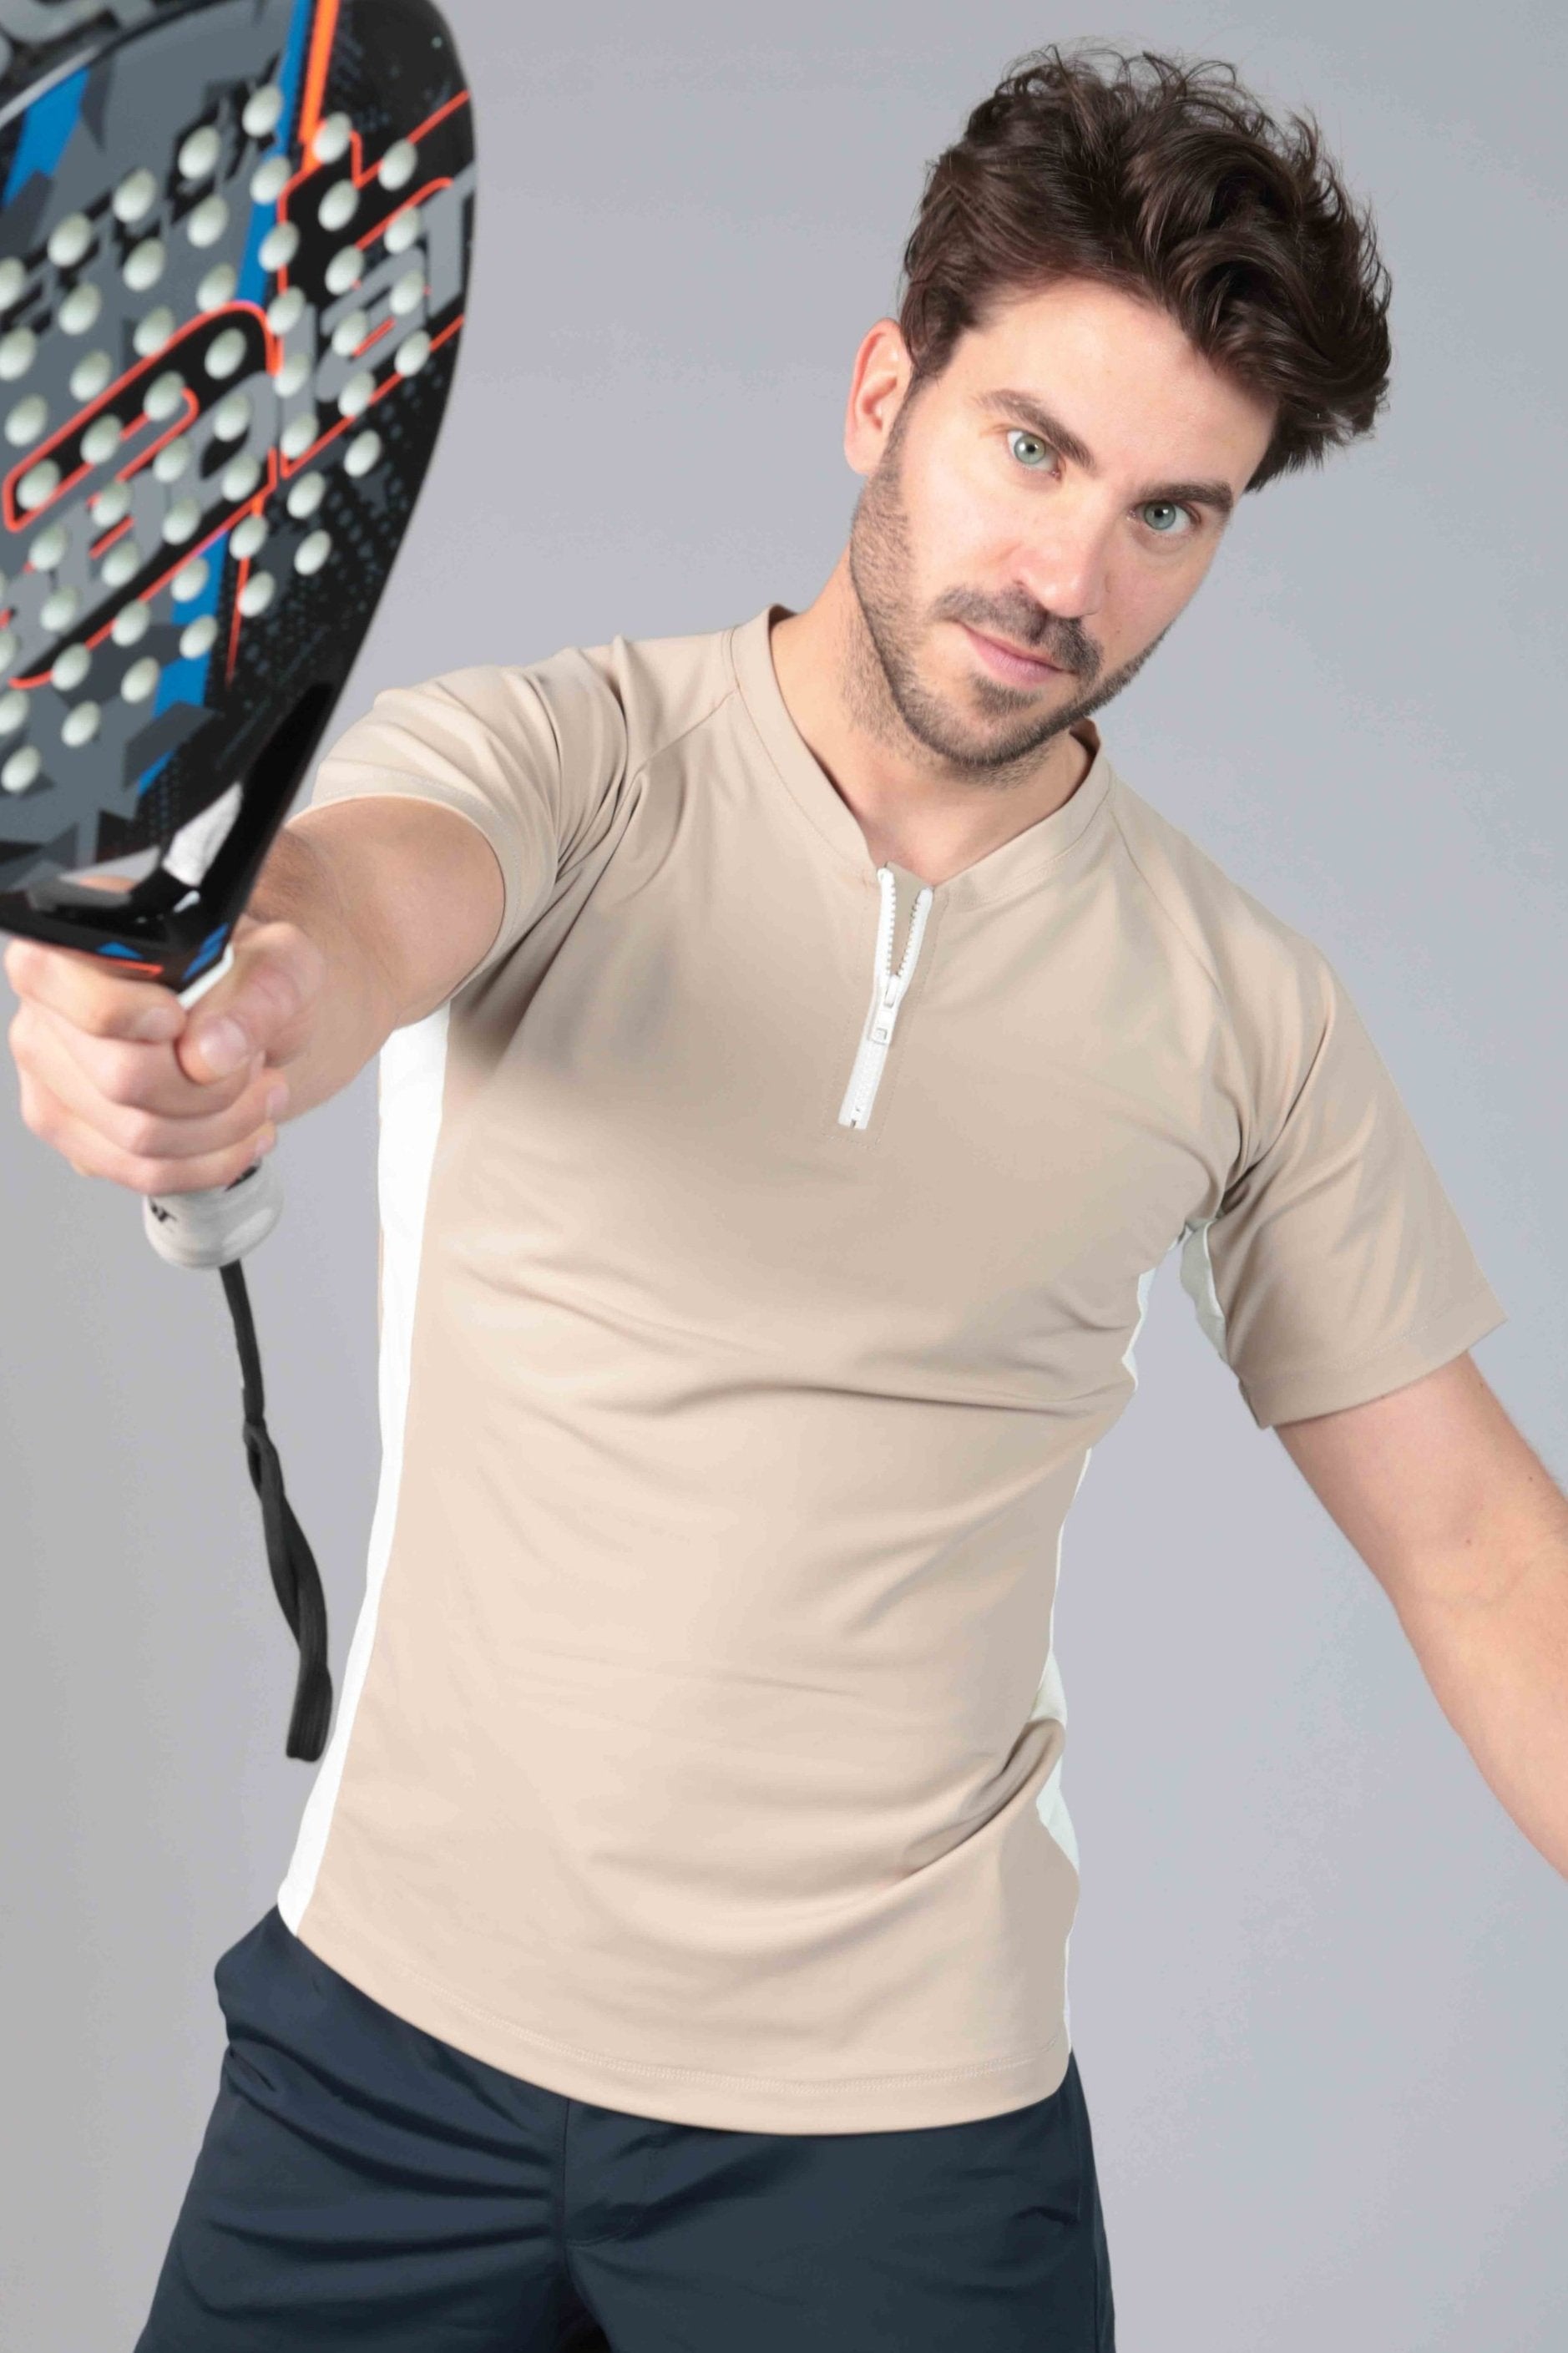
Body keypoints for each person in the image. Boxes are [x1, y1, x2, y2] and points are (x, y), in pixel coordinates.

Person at [8, 39, 1560, 2353]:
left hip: (896, 2148)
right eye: (1031, 448)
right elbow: (355, 909)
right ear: (882, 395)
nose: (1072, 573)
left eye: (1173, 513)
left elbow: (1479, 1551)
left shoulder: (1249, 1011)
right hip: (383, 2070)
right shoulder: (573, 759)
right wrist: (226, 1019)